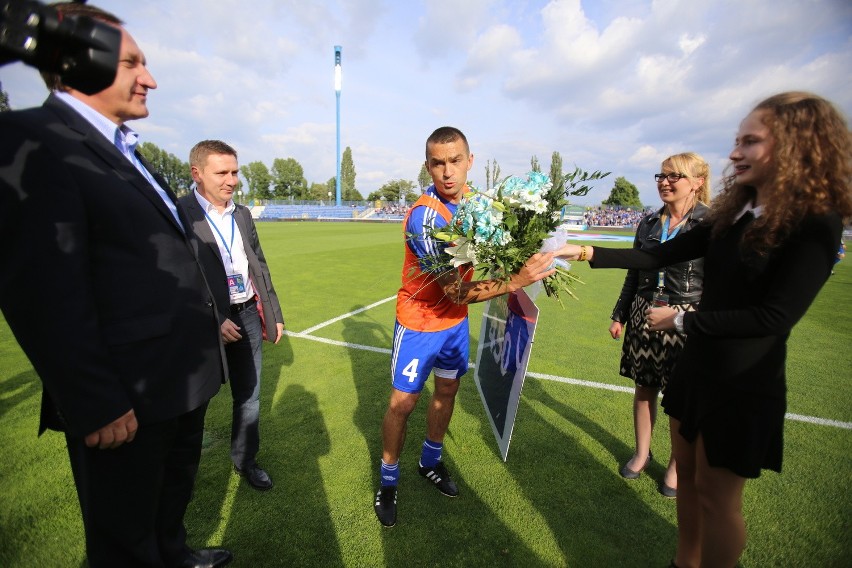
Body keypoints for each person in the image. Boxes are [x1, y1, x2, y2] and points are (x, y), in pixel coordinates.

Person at [557, 92, 852, 568]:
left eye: (749, 141)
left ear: (797, 145)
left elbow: (774, 318)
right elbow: (658, 255)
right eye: (737, 140)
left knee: (718, 502)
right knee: (690, 488)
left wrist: (680, 319)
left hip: (741, 383)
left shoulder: (816, 222)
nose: (734, 153)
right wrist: (589, 252)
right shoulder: (735, 213)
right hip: (695, 371)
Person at [0, 4, 233, 567]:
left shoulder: (122, 146)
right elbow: (41, 289)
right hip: (126, 398)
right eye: (131, 62)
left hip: (180, 380)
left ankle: (175, 554)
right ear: (75, 64)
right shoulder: (32, 138)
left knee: (166, 506)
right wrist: (93, 402)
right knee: (123, 541)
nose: (149, 77)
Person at [374, 126, 555, 527]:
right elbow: (455, 291)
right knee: (402, 404)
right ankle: (388, 480)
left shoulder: (478, 203)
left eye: (455, 161)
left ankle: (430, 461)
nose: (447, 171)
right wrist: (517, 280)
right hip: (420, 321)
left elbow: (498, 250)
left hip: (454, 324)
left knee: (448, 389)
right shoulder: (423, 218)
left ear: (470, 161)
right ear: (428, 166)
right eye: (437, 163)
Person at [180, 140, 285, 491]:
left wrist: (274, 313)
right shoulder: (181, 214)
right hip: (204, 323)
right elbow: (177, 277)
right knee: (195, 404)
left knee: (250, 396)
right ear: (197, 173)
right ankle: (182, 477)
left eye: (235, 171)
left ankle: (246, 461)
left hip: (247, 315)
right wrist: (212, 318)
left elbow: (259, 264)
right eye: (221, 172)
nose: (232, 180)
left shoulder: (240, 213)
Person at [609, 153, 711, 498]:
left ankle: (676, 466)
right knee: (644, 388)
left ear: (697, 182)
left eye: (674, 176)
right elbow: (634, 272)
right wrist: (620, 314)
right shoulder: (650, 222)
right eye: (661, 175)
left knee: (680, 399)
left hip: (686, 317)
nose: (664, 182)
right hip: (643, 312)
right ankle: (641, 453)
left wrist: (698, 319)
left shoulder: (711, 224)